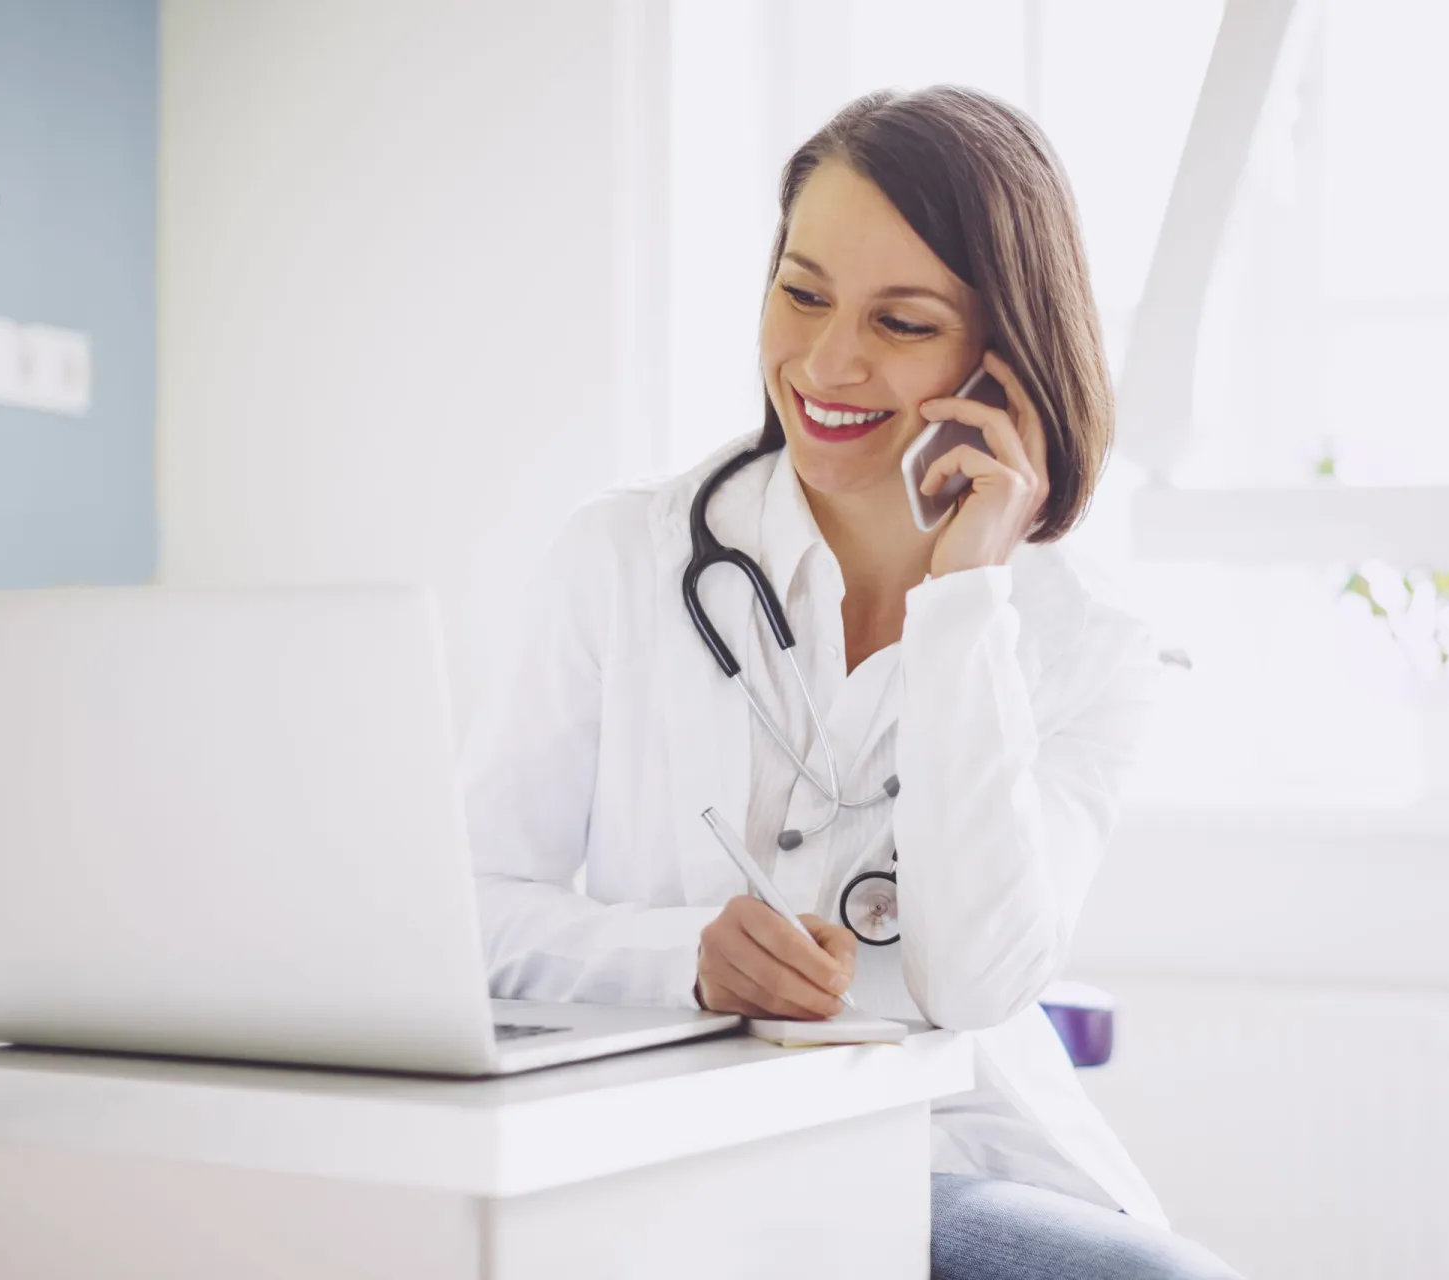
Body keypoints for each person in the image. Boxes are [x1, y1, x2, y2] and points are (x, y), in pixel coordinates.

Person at [463, 86, 1240, 1280]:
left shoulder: (1087, 646)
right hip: (658, 1143)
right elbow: (478, 914)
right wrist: (684, 955)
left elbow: (972, 978)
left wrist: (965, 600)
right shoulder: (623, 558)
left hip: (935, 1157)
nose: (827, 360)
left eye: (903, 320)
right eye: (804, 291)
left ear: (1004, 353)